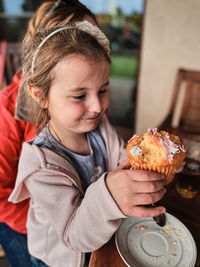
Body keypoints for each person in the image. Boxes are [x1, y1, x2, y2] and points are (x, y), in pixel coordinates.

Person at [9, 21, 166, 267]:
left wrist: (154, 163)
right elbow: (76, 237)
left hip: (103, 243)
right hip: (57, 260)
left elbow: (123, 163)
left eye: (102, 91)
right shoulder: (41, 164)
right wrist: (110, 194)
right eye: (80, 96)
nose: (97, 107)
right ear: (41, 96)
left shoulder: (99, 128)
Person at [0, 1, 97, 266]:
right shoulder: (8, 111)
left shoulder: (91, 97)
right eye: (76, 40)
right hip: (26, 223)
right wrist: (48, 225)